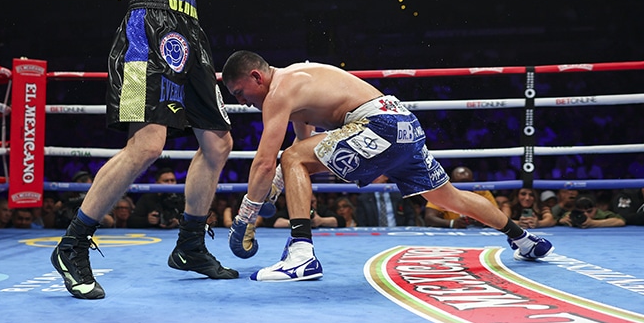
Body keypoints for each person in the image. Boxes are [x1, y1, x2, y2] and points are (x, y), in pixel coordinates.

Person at [51, 0, 247, 299]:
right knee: (147, 144)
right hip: (146, 28)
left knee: (218, 143)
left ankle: (190, 246)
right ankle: (73, 244)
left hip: (189, 29)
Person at [221, 51, 553, 282]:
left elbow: (269, 161)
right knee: (447, 198)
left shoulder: (279, 91)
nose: (242, 101)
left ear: (256, 76)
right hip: (402, 124)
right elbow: (301, 148)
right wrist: (277, 184)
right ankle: (523, 239)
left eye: (240, 92)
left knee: (290, 160)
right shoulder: (296, 85)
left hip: (377, 125)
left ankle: (302, 256)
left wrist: (245, 216)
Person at [424, 166, 501, 229]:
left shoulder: (482, 192)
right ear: (452, 182)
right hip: (450, 232)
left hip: (479, 231)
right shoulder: (443, 192)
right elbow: (429, 217)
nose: (464, 186)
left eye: (467, 182)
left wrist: (483, 220)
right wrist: (451, 223)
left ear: (472, 182)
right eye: (460, 183)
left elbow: (497, 216)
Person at [271, 193, 345, 229]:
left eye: (313, 202)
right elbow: (272, 221)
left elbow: (341, 221)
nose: (309, 205)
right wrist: (297, 223)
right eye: (306, 202)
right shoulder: (292, 209)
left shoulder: (320, 209)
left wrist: (321, 221)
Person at [558, 195, 625, 228]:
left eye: (589, 211)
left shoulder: (601, 214)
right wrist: (561, 221)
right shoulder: (571, 215)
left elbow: (620, 221)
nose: (586, 214)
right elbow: (556, 220)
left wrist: (594, 223)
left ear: (595, 208)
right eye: (581, 212)